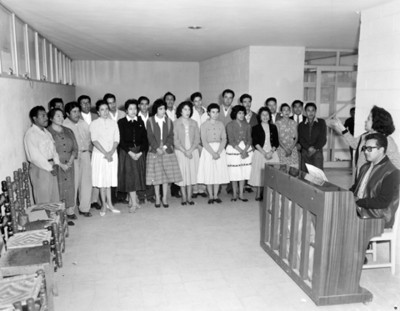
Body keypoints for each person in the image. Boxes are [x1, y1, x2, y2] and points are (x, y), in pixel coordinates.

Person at [329, 105, 400, 180]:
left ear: (376, 122)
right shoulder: (365, 136)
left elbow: (396, 163)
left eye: (369, 119)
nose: (365, 121)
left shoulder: (387, 140)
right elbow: (354, 144)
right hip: (361, 178)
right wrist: (340, 126)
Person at [350, 133, 399, 229]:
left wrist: (358, 202)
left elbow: (383, 202)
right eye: (365, 148)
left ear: (381, 150)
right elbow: (355, 188)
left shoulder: (392, 172)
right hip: (361, 210)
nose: (365, 152)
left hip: (378, 217)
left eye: (369, 149)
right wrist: (343, 194)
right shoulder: (365, 167)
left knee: (342, 221)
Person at [146, 99, 182, 208]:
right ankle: (157, 197)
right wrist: (157, 148)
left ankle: (164, 197)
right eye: (160, 109)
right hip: (155, 150)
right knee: (157, 176)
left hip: (167, 150)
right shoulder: (150, 121)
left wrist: (165, 147)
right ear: (156, 109)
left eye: (164, 108)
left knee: (166, 176)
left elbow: (171, 136)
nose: (163, 111)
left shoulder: (169, 121)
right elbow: (150, 136)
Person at [63, 102, 95, 217]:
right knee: (73, 183)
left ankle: (85, 208)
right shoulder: (64, 125)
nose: (77, 114)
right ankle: (70, 211)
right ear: (67, 113)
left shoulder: (84, 123)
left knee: (86, 182)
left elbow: (90, 138)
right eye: (74, 112)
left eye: (78, 111)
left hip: (85, 154)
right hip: (73, 157)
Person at [24, 106, 60, 204]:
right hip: (40, 168)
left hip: (51, 166)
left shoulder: (46, 132)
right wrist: (50, 168)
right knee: (43, 198)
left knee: (54, 197)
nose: (46, 118)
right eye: (43, 116)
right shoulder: (31, 134)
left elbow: (54, 150)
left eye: (46, 115)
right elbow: (35, 157)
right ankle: (45, 219)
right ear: (35, 118)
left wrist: (56, 163)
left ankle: (55, 219)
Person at [47, 108, 79, 221]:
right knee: (58, 189)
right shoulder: (47, 132)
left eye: (62, 116)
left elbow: (75, 148)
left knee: (70, 187)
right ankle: (60, 214)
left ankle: (70, 211)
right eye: (58, 116)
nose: (61, 118)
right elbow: (48, 151)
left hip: (69, 164)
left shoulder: (68, 130)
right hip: (56, 165)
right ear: (51, 118)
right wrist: (60, 164)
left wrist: (70, 161)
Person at [90, 100, 120, 216]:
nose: (105, 112)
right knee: (102, 181)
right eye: (102, 109)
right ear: (98, 111)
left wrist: (111, 152)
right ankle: (103, 205)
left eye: (107, 109)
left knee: (109, 181)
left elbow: (117, 139)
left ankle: (110, 204)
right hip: (100, 155)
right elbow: (94, 140)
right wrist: (105, 153)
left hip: (112, 155)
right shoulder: (94, 123)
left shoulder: (113, 123)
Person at [117, 99, 148, 213]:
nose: (133, 111)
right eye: (130, 108)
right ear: (126, 110)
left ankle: (132, 200)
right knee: (130, 177)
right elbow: (120, 140)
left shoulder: (140, 121)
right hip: (127, 152)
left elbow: (145, 139)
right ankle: (134, 203)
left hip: (139, 152)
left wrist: (140, 153)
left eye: (135, 108)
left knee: (137, 177)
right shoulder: (121, 122)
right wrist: (130, 153)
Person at [198, 103, 230, 204]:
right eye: (213, 112)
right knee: (209, 172)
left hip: (219, 150)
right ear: (208, 113)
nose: (215, 114)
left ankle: (216, 195)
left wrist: (219, 151)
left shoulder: (221, 124)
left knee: (217, 173)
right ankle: (210, 196)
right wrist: (213, 153)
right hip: (208, 151)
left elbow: (224, 139)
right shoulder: (204, 125)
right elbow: (204, 141)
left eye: (217, 112)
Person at [248, 107, 279, 201]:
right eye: (263, 115)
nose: (265, 117)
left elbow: (276, 142)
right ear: (259, 117)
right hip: (260, 153)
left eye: (267, 115)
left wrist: (271, 152)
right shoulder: (255, 128)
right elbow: (255, 142)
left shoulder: (273, 127)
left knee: (272, 174)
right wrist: (264, 153)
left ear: (270, 116)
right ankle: (258, 194)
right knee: (259, 173)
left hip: (272, 153)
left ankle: (270, 194)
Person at [174, 101, 201, 205]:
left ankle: (189, 197)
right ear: (180, 111)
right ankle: (183, 197)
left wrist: (190, 150)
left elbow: (197, 139)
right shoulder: (175, 123)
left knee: (191, 174)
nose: (187, 111)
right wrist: (185, 151)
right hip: (180, 151)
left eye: (189, 109)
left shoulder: (194, 123)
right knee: (182, 175)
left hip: (192, 151)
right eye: (185, 109)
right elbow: (175, 140)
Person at [226, 105, 253, 202]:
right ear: (235, 114)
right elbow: (231, 140)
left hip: (245, 149)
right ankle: (234, 194)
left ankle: (241, 194)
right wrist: (241, 151)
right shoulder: (230, 125)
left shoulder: (247, 125)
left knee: (243, 172)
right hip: (234, 150)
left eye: (243, 113)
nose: (242, 115)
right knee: (234, 172)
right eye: (239, 113)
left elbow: (249, 139)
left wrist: (245, 150)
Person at [137, 96, 155, 204]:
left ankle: (150, 194)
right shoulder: (135, 117)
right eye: (142, 104)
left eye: (146, 104)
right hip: (139, 148)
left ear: (148, 105)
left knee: (151, 171)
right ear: (138, 105)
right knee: (140, 171)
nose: (144, 106)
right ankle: (140, 195)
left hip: (151, 147)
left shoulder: (153, 117)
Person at [298, 102, 327, 172]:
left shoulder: (321, 122)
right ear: (305, 112)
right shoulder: (301, 125)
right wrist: (308, 148)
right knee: (305, 174)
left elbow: (323, 138)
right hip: (305, 151)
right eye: (308, 110)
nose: (310, 112)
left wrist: (315, 148)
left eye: (312, 110)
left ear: (315, 111)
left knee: (318, 174)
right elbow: (301, 139)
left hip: (317, 151)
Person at [190, 92, 208, 198]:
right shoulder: (190, 112)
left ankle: (203, 189)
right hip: (194, 143)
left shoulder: (207, 112)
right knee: (195, 166)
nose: (198, 103)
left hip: (205, 142)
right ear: (193, 102)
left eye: (199, 100)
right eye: (195, 101)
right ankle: (195, 189)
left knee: (204, 166)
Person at [164, 92, 180, 198]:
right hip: (166, 142)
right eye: (167, 99)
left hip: (178, 141)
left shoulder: (178, 111)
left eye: (171, 99)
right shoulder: (161, 111)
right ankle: (163, 192)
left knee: (177, 166)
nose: (170, 101)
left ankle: (175, 190)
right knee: (165, 166)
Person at [275, 103, 298, 168]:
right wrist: (285, 149)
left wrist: (290, 149)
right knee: (283, 169)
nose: (286, 112)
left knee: (293, 169)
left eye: (288, 110)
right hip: (282, 149)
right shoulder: (277, 123)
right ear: (281, 112)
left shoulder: (294, 122)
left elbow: (296, 137)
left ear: (290, 111)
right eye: (284, 110)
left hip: (292, 149)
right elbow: (278, 138)